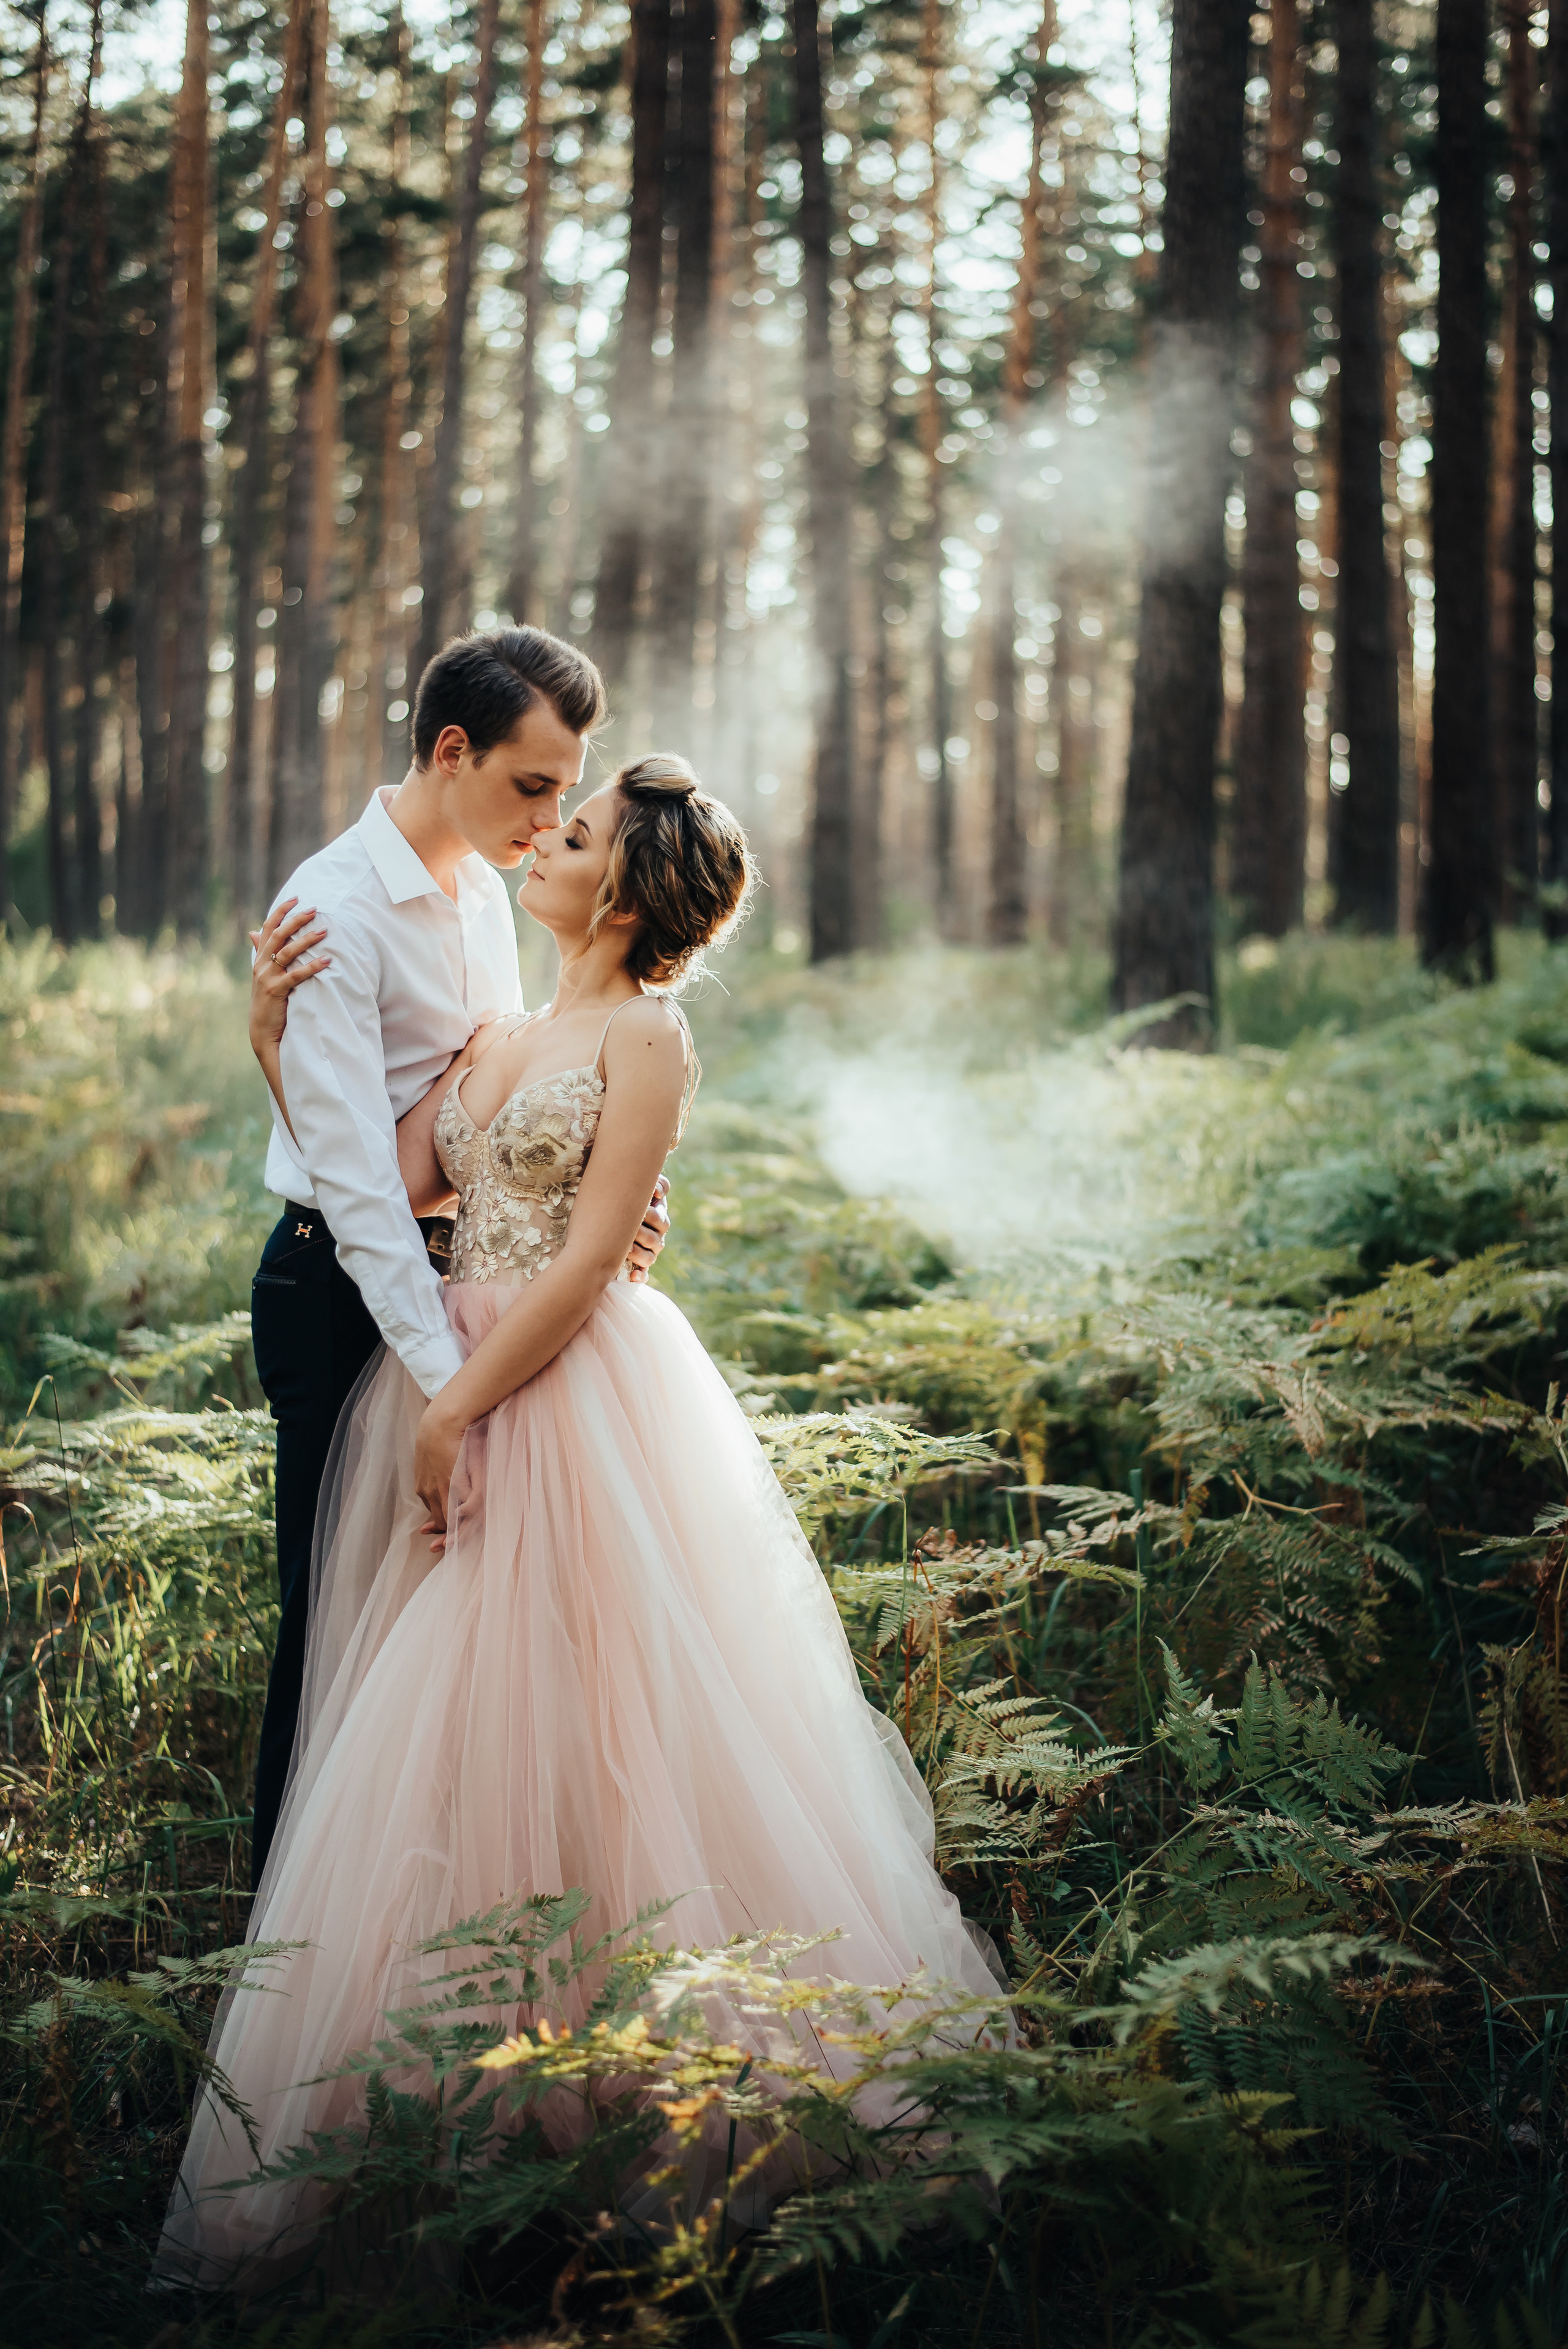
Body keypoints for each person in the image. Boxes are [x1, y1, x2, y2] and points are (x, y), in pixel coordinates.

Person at [155, 754, 1002, 2288]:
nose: (546, 841)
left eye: (581, 833)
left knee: (610, 1716)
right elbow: (387, 1177)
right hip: (441, 1368)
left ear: (620, 893)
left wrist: (458, 1403)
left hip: (562, 1390)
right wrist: (274, 1037)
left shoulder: (646, 1038)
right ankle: (465, 2095)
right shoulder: (502, 1027)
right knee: (451, 1723)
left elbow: (593, 1255)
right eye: (557, 820)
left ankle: (647, 2086)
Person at [246, 626, 668, 1889]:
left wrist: (598, 1202)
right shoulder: (329, 914)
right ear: (450, 749)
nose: (548, 823)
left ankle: (461, 1905)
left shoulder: (488, 890)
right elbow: (363, 1196)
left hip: (465, 1288)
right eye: (532, 786)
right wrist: (448, 1385)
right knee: (332, 1632)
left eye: (562, 795)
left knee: (464, 1633)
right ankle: (288, 1946)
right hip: (343, 1288)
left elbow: (501, 1086)